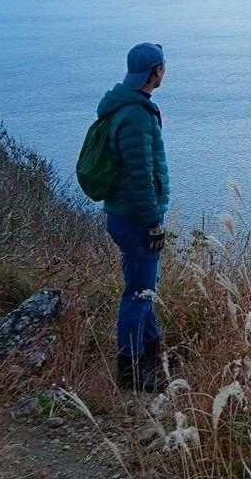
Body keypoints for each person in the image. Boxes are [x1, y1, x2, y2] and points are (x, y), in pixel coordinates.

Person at [98, 42, 171, 392]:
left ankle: (153, 354)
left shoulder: (123, 106)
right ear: (155, 71)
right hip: (136, 218)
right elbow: (142, 177)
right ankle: (131, 373)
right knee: (139, 294)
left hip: (122, 213)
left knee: (144, 288)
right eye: (163, 66)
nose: (164, 72)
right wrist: (154, 221)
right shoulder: (137, 116)